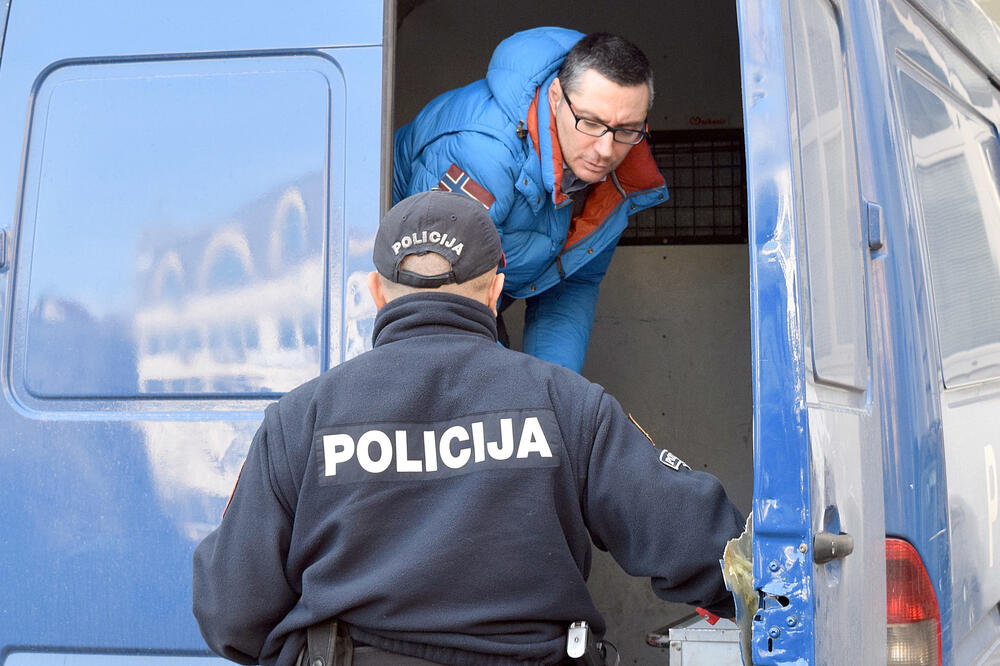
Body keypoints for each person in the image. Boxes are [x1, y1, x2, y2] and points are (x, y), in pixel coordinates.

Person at [192, 191, 742, 666]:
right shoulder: (569, 405)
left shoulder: (300, 419)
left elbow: (230, 613)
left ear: (375, 293)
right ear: (494, 290)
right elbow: (706, 549)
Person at [393, 28, 667, 373]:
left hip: (481, 292)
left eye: (627, 129)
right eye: (591, 123)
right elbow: (439, 299)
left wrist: (555, 395)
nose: (606, 150)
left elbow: (571, 286)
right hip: (410, 288)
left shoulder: (614, 174)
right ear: (556, 97)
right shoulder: (481, 155)